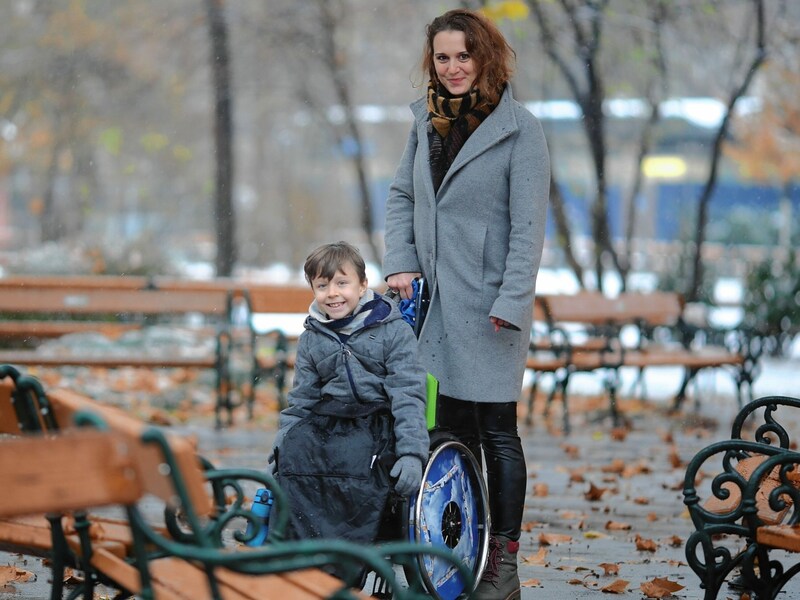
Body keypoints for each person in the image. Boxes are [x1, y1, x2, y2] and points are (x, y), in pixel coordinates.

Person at [383, 9, 550, 600]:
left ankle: (502, 564)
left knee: (497, 430)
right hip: (434, 303)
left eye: (463, 55)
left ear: (486, 56)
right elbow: (402, 193)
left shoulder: (520, 129)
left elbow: (528, 228)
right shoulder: (425, 124)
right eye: (442, 57)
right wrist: (400, 260)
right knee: (445, 430)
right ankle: (452, 555)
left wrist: (512, 299)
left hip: (490, 305)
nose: (452, 68)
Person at [272, 241, 429, 547]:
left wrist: (412, 453)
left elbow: (407, 394)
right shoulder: (312, 337)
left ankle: (345, 555)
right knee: (301, 453)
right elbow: (302, 400)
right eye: (322, 285)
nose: (332, 293)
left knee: (353, 459)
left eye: (342, 283)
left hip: (377, 417)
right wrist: (283, 445)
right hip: (330, 417)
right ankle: (302, 551)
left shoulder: (392, 331)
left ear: (363, 286)